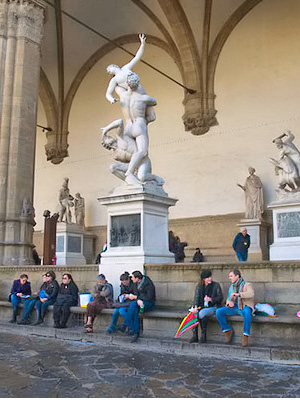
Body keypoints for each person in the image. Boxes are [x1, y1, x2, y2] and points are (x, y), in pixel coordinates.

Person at [216, 269, 254, 347]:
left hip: (244, 306)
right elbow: (228, 299)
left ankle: (245, 335)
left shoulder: (247, 284)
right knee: (219, 311)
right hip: (235, 307)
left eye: (231, 276)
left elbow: (251, 294)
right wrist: (229, 303)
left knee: (247, 312)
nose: (230, 278)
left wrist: (239, 294)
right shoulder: (231, 287)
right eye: (229, 276)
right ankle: (227, 330)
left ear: (237, 276)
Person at [190, 270, 223, 343]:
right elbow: (196, 299)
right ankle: (195, 336)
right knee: (193, 313)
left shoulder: (216, 285)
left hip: (213, 306)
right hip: (202, 306)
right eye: (207, 277)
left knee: (202, 314)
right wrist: (195, 308)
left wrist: (211, 299)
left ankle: (203, 335)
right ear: (204, 279)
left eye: (210, 277)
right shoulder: (199, 287)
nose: (210, 279)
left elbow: (220, 298)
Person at [122, 270, 155, 343]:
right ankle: (135, 332)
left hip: (148, 304)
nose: (131, 279)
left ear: (137, 278)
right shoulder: (135, 284)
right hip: (138, 303)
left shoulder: (148, 284)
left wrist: (138, 299)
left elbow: (149, 297)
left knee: (133, 305)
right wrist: (133, 297)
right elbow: (136, 295)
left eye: (133, 278)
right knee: (134, 309)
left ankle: (128, 326)